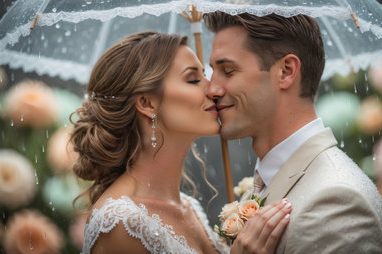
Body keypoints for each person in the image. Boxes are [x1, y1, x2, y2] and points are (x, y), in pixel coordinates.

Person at [71, 31, 292, 254]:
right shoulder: (122, 224)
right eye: (194, 79)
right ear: (147, 103)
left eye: (204, 75)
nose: (214, 89)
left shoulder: (190, 208)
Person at [204, 12, 382, 254]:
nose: (211, 89)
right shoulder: (269, 180)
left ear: (286, 71)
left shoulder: (334, 204)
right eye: (212, 71)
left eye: (228, 71)